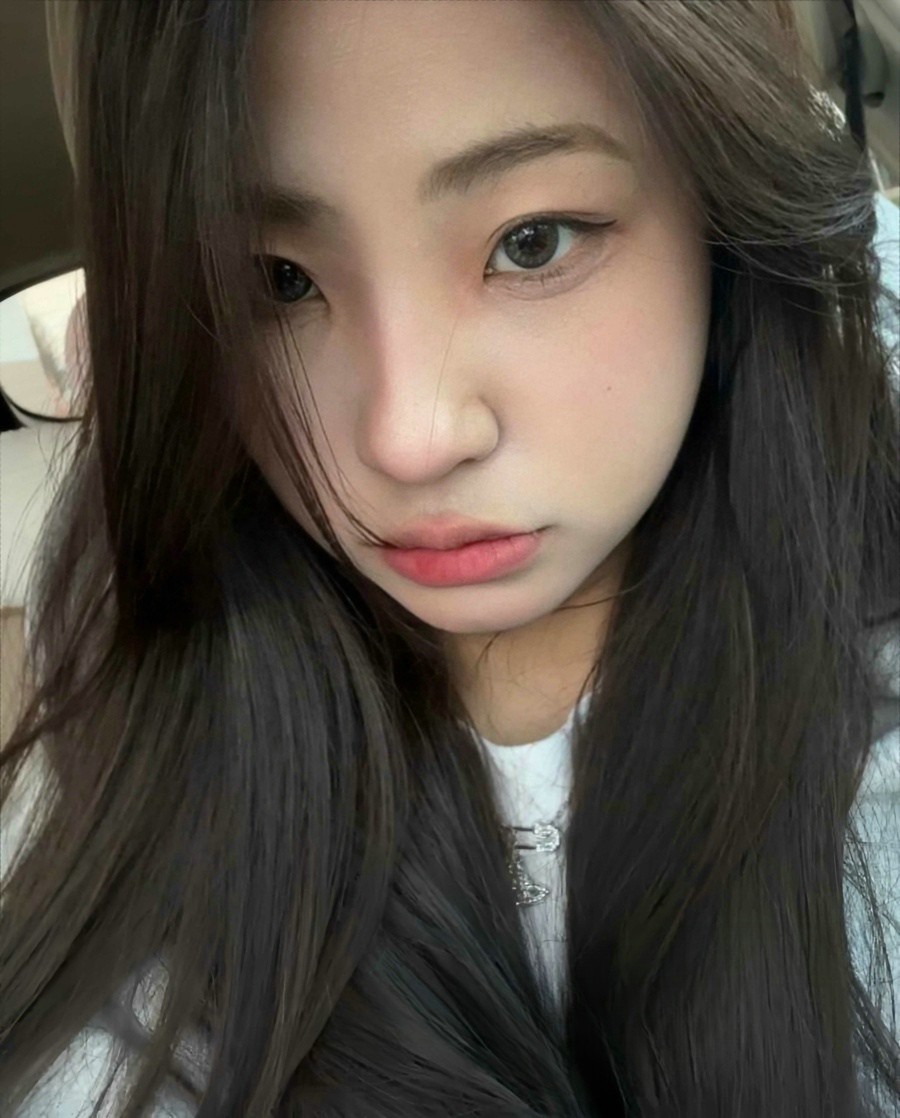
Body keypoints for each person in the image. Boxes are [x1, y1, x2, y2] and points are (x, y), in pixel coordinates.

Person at [1, 1, 898, 1114]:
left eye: (533, 241)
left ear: (725, 207)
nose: (408, 439)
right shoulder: (142, 639)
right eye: (278, 280)